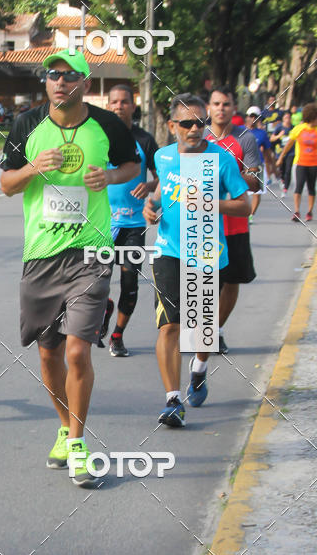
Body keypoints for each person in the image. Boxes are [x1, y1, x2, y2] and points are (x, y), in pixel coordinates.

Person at [0, 50, 139, 486]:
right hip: (41, 254)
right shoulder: (27, 125)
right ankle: (65, 425)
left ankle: (78, 444)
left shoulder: (106, 125)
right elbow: (5, 184)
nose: (59, 82)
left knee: (78, 350)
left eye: (68, 75)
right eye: (53, 75)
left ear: (84, 81)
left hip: (91, 252)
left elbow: (133, 165)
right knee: (48, 354)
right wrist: (31, 169)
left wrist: (110, 178)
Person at [143, 94, 250, 428]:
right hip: (168, 251)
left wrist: (212, 205)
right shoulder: (163, 156)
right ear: (173, 125)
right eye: (187, 123)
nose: (194, 129)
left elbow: (244, 204)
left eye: (200, 123)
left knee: (201, 332)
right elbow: (161, 192)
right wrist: (152, 206)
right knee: (171, 324)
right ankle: (173, 400)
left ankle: (199, 370)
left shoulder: (222, 159)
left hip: (206, 250)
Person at [205, 87, 261, 355]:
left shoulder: (245, 138)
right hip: (203, 223)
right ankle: (203, 333)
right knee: (206, 280)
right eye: (216, 104)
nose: (221, 109)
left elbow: (255, 178)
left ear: (233, 108)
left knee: (232, 281)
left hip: (235, 222)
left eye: (226, 104)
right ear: (209, 107)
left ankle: (216, 329)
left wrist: (228, 176)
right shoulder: (198, 135)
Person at [103, 84, 158, 357]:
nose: (119, 106)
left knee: (130, 283)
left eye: (124, 102)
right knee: (94, 282)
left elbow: (163, 178)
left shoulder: (145, 140)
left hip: (134, 224)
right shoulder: (98, 137)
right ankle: (104, 307)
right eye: (114, 102)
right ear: (108, 104)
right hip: (100, 223)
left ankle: (117, 335)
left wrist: (150, 188)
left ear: (132, 106)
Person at [276, 102, 317, 222]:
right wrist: (281, 157)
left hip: (314, 164)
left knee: (311, 188)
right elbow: (289, 144)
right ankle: (297, 211)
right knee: (298, 187)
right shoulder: (299, 129)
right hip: (300, 162)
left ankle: (309, 211)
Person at [244, 107, 274, 217]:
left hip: (258, 165)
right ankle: (244, 212)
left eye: (255, 117)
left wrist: (271, 168)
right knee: (243, 192)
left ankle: (251, 214)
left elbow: (267, 152)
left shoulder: (262, 133)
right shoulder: (240, 131)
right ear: (246, 117)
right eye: (250, 116)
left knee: (257, 193)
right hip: (243, 165)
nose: (252, 119)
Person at [271, 111, 293, 192]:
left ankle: (286, 188)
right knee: (282, 169)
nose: (287, 120)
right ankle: (282, 179)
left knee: (288, 169)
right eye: (286, 118)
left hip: (290, 152)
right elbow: (272, 138)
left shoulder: (293, 128)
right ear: (283, 119)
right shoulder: (279, 128)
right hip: (280, 152)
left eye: (289, 118)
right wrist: (279, 136)